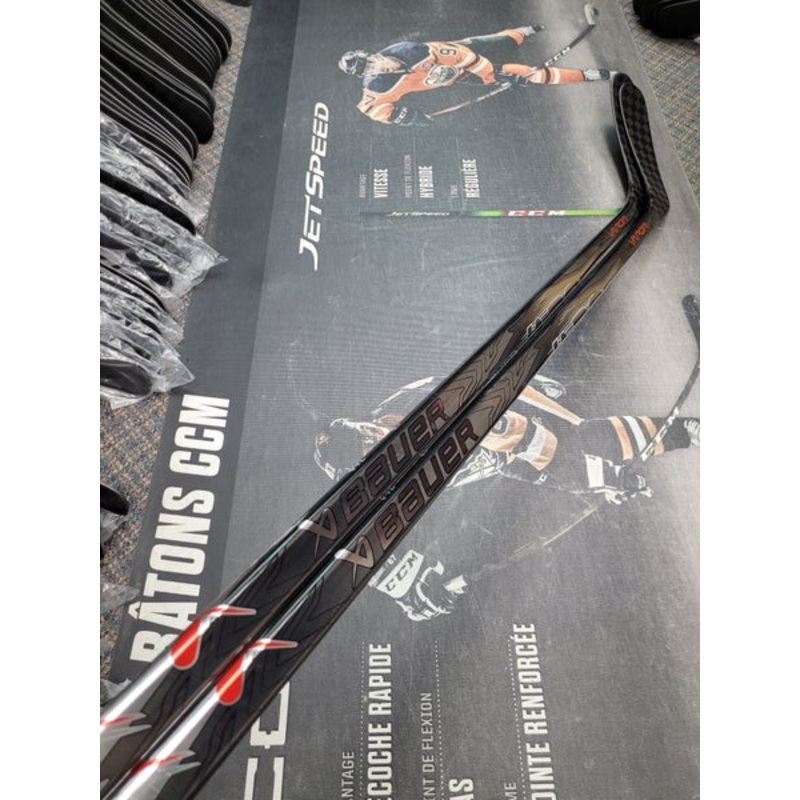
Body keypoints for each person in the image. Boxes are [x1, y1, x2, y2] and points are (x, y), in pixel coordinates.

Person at [314, 375, 699, 504]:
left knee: (582, 435)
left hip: (503, 418)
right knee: (577, 459)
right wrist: (602, 481)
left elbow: (483, 383)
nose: (370, 436)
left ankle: (684, 433)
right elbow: (507, 463)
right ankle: (681, 436)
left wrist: (531, 383)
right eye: (365, 449)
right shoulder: (408, 477)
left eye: (361, 430)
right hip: (504, 453)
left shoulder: (408, 401)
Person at [338, 26, 613, 126]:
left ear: (372, 54)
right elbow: (372, 108)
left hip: (461, 55)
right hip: (457, 77)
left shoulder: (410, 50)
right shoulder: (378, 86)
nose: (374, 69)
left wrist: (491, 75)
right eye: (367, 71)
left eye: (370, 62)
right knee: (527, 75)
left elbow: (466, 58)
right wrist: (403, 117)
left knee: (500, 43)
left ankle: (526, 30)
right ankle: (588, 75)